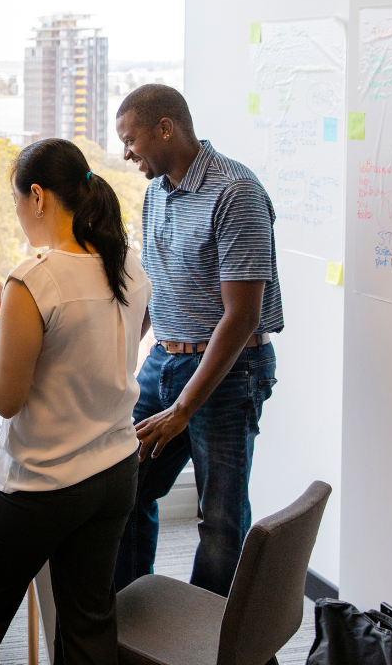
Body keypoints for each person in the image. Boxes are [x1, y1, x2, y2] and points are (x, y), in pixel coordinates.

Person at [0, 139, 150, 665]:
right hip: (115, 470)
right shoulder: (128, 264)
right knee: (87, 622)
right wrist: (10, 313)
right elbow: (104, 341)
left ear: (37, 196)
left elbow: (6, 398)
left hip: (43, 485)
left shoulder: (35, 278)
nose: (17, 211)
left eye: (16, 200)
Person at [112, 84, 282, 597]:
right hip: (165, 361)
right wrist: (116, 358)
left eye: (130, 140)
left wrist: (184, 408)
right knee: (124, 486)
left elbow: (243, 316)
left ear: (165, 128)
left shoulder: (236, 191)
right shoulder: (155, 190)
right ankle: (130, 623)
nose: (126, 153)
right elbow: (156, 287)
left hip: (230, 372)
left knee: (221, 519)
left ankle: (208, 640)